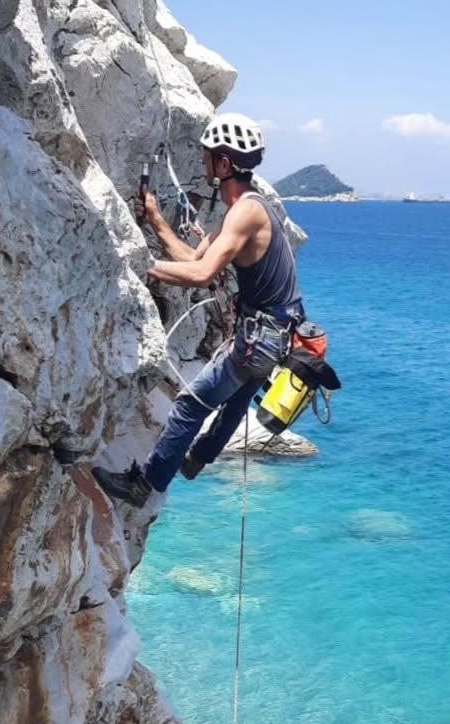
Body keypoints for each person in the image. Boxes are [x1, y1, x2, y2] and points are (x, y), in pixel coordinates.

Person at [92, 113, 304, 508]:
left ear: (224, 165)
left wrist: (135, 264)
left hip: (260, 338)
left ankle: (145, 484)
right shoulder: (246, 210)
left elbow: (201, 274)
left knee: (191, 404)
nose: (203, 163)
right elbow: (192, 257)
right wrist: (155, 220)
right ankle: (197, 459)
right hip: (276, 336)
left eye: (208, 157)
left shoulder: (245, 213)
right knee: (235, 401)